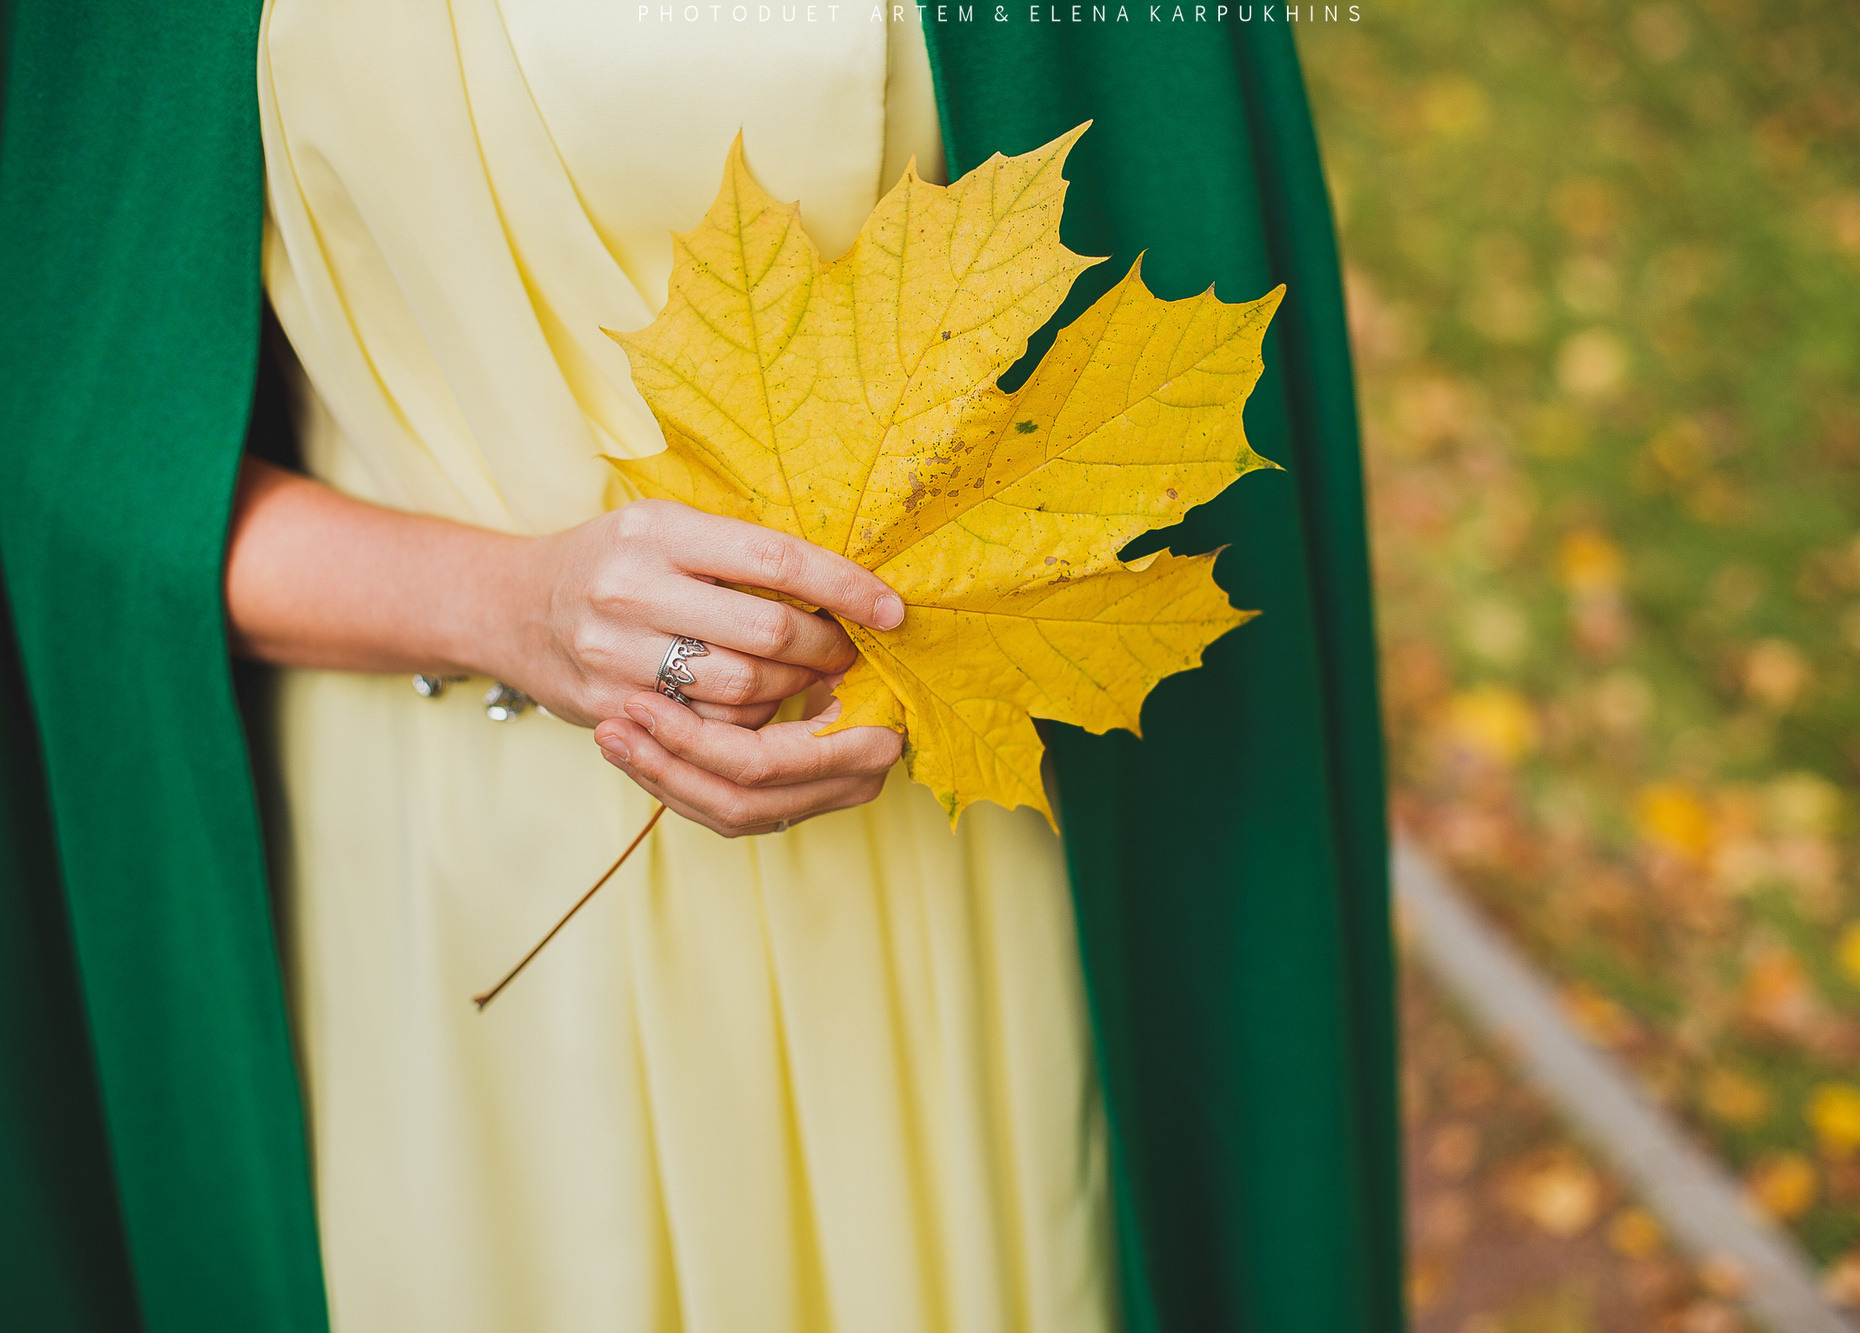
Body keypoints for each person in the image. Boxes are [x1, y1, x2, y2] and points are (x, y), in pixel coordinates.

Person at [0, 4, 1403, 1332]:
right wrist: (500, 607)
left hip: (947, 858)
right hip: (441, 888)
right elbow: (72, 436)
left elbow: (1174, 245)